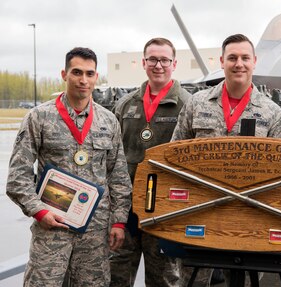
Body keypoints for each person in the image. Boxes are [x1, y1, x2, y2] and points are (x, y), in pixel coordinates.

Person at [171, 33, 281, 285]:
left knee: (247, 280)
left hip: (250, 216)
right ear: (222, 61)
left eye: (245, 58)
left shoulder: (271, 112)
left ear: (254, 61)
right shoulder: (197, 104)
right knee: (192, 280)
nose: (239, 64)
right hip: (200, 212)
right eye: (232, 58)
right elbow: (174, 155)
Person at [6, 47, 132, 286]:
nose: (83, 80)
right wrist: (39, 211)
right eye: (77, 72)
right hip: (52, 228)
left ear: (97, 77)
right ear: (64, 74)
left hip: (95, 233)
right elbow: (17, 176)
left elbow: (119, 177)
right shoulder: (39, 118)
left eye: (89, 73)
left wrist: (118, 221)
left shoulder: (108, 121)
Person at [110, 38, 193, 287]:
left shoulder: (188, 105)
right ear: (143, 62)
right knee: (116, 277)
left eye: (164, 60)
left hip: (165, 211)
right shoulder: (125, 105)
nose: (158, 65)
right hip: (126, 210)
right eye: (153, 59)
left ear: (174, 63)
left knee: (164, 280)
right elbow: (112, 158)